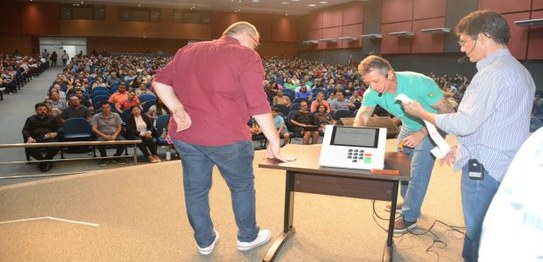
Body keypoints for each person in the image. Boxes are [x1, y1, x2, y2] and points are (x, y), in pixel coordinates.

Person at [401, 10, 536, 261]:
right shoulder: (518, 70)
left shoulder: (492, 74)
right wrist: (460, 148)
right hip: (504, 164)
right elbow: (496, 124)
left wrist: (422, 113)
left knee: (477, 233)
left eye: (464, 41)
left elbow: (463, 123)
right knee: (491, 229)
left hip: (485, 169)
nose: (463, 49)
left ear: (483, 36)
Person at [152, 21, 292, 255]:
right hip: (227, 136)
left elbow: (159, 81)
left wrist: (176, 108)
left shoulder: (187, 50)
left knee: (195, 190)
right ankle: (247, 236)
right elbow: (257, 102)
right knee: (241, 187)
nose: (255, 49)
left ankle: (204, 241)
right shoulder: (245, 55)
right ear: (246, 36)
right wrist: (274, 140)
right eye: (256, 43)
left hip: (187, 135)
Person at [353, 55, 454, 233]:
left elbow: (447, 111)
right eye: (369, 83)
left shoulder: (419, 82)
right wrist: (357, 131)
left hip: (433, 126)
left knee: (417, 171)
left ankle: (409, 217)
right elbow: (364, 112)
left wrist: (422, 133)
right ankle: (409, 202)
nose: (373, 87)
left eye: (376, 81)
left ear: (390, 74)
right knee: (401, 164)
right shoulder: (372, 91)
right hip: (410, 125)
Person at [22, 102, 63, 172]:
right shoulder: (30, 119)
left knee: (56, 146)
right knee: (29, 148)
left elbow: (61, 128)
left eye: (44, 109)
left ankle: (44, 162)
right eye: (40, 110)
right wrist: (29, 137)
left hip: (49, 137)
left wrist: (56, 133)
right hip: (36, 138)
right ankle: (45, 162)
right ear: (36, 110)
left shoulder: (52, 118)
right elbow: (25, 130)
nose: (43, 111)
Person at [91, 100, 127, 167]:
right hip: (102, 134)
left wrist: (115, 135)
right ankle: (104, 158)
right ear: (101, 108)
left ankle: (117, 156)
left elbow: (119, 127)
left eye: (108, 107)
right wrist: (104, 136)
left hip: (115, 133)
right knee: (99, 142)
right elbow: (94, 128)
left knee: (123, 141)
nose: (106, 109)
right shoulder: (96, 116)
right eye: (104, 108)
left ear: (110, 107)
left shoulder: (116, 115)